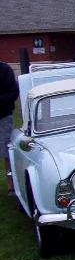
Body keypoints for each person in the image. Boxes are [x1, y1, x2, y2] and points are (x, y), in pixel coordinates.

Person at [0, 61, 19, 195]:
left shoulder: (4, 69)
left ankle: (11, 185)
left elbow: (13, 93)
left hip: (3, 116)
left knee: (7, 152)